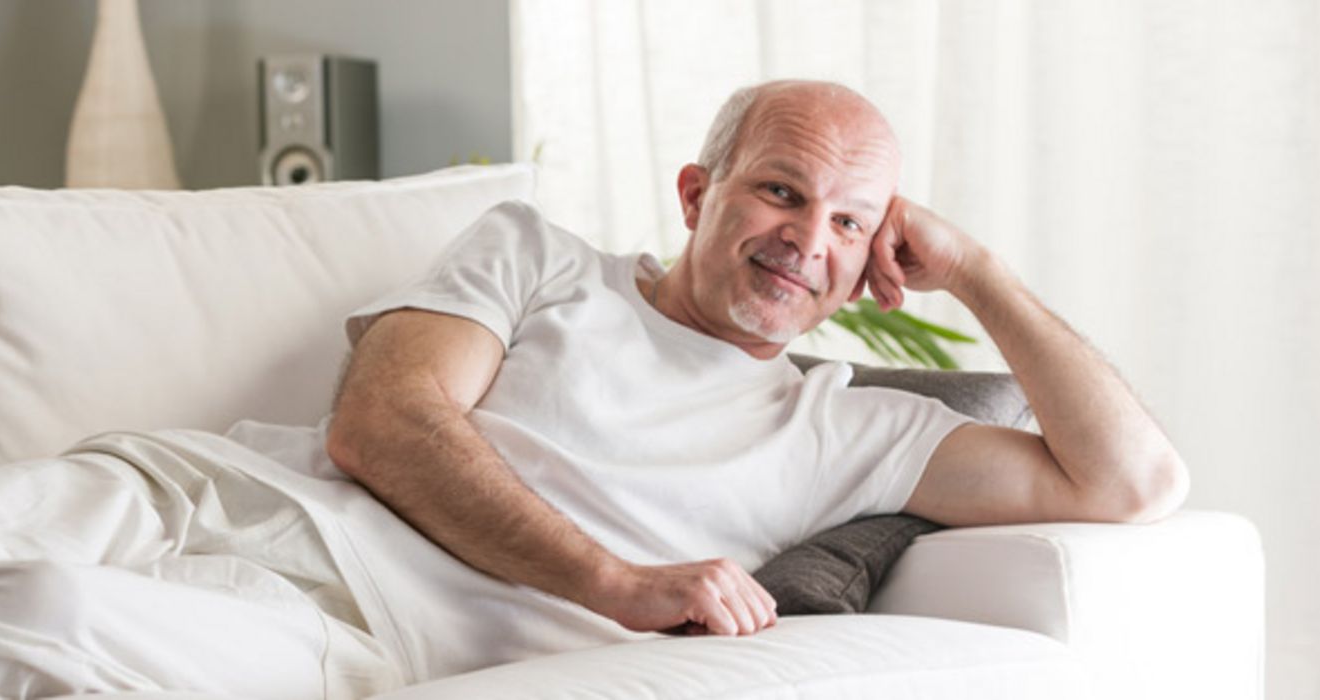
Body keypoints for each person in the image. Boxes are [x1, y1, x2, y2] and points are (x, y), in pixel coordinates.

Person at [325, 79, 1191, 640]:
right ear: (698, 195)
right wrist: (613, 582)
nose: (806, 241)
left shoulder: (846, 430)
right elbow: (381, 423)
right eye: (781, 191)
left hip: (370, 644)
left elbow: (1135, 483)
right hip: (267, 540)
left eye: (848, 223)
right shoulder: (534, 255)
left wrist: (975, 270)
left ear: (865, 268)